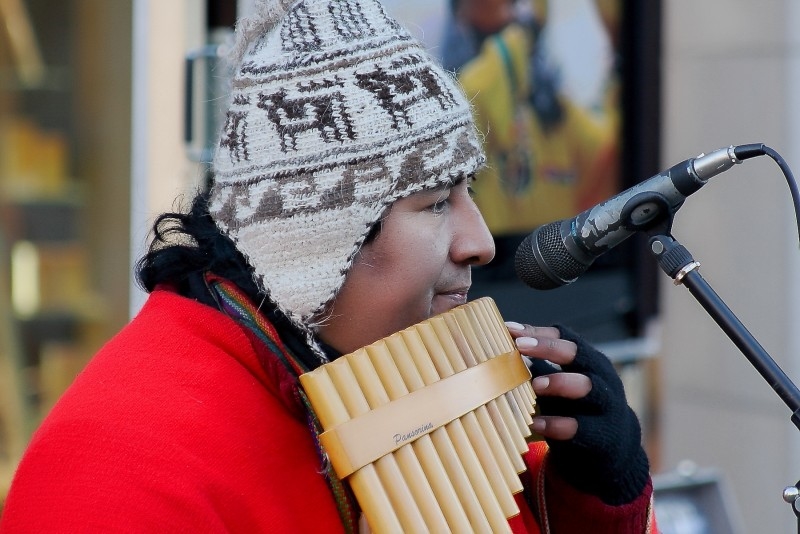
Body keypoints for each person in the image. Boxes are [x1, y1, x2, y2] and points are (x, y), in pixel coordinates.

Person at [0, 0, 656, 532]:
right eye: (435, 202)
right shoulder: (113, 472)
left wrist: (595, 504)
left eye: (471, 194)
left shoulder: (446, 410)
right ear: (314, 240)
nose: (479, 241)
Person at [440, 0, 621, 279]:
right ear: (461, 14)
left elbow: (607, 155)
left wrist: (623, 48)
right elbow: (482, 87)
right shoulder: (461, 99)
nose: (512, 11)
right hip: (488, 275)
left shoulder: (555, 112)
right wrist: (527, 25)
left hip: (560, 272)